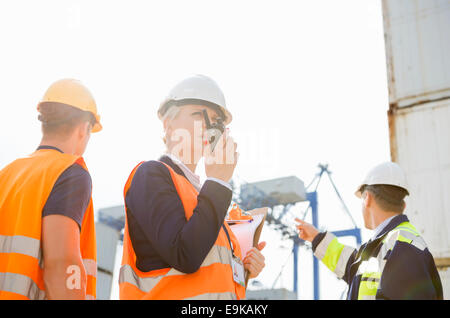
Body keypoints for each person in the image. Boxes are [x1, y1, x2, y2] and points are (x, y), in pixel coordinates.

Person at [119, 74, 266, 300]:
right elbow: (185, 255)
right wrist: (218, 182)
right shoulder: (151, 175)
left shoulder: (205, 198)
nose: (208, 126)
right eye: (198, 114)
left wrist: (242, 268)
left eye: (217, 120)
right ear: (168, 125)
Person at [0, 79, 101, 300]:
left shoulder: (7, 173)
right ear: (85, 128)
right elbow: (62, 264)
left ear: (44, 122)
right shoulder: (70, 173)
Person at [296, 162, 443, 300]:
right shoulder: (388, 245)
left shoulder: (402, 247)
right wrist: (316, 238)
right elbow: (354, 268)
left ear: (367, 198)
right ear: (403, 205)